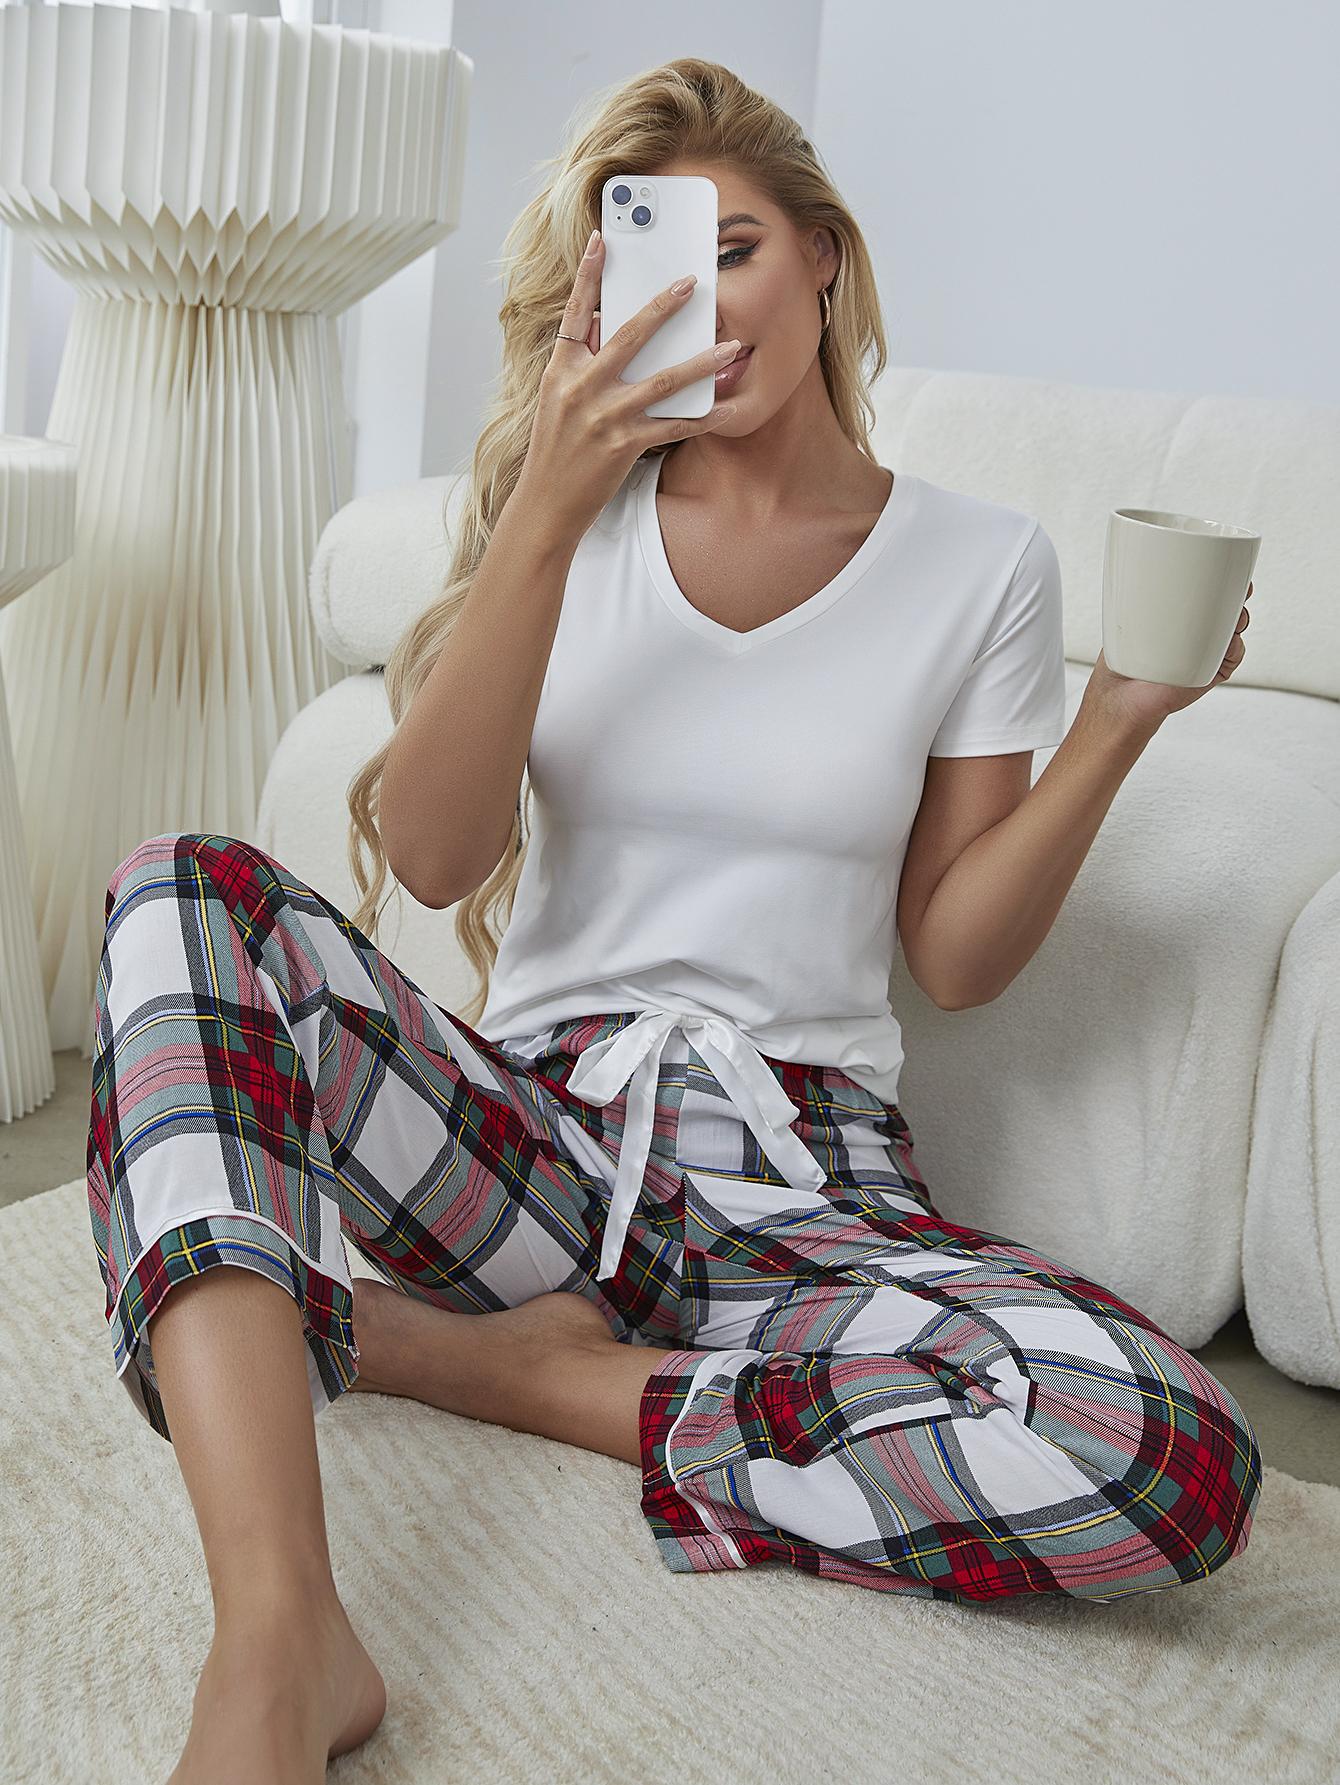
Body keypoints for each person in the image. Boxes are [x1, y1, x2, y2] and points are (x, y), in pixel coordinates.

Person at [85, 58, 1261, 1784]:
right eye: (653, 263)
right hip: (541, 1156)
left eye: (739, 251)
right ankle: (280, 1635)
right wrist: (549, 511)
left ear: (827, 263)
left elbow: (954, 956)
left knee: (1162, 1446)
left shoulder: (980, 562)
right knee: (178, 890)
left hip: (808, 1187)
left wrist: (1120, 719)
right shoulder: (568, 524)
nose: (703, 306)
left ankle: (515, 1379)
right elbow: (423, 852)